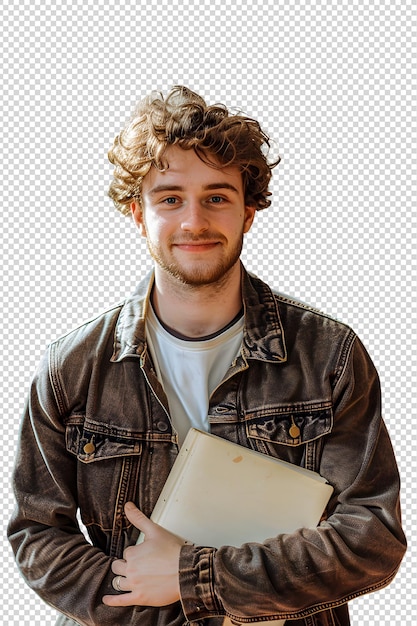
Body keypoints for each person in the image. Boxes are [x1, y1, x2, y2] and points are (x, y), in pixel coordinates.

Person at [8, 86, 406, 626]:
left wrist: (193, 580)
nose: (194, 221)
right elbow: (37, 534)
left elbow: (372, 538)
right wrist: (159, 612)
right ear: (136, 214)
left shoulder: (329, 354)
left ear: (249, 213)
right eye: (169, 198)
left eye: (217, 197)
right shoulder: (71, 366)